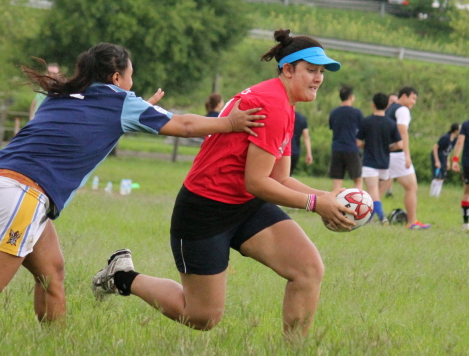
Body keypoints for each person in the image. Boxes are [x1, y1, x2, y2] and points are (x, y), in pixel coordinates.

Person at [0, 43, 266, 326]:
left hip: (4, 184)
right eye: (131, 78)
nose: (133, 85)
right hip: (22, 195)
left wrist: (140, 110)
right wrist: (230, 123)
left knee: (52, 275)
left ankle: (52, 344)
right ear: (118, 77)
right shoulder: (119, 101)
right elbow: (189, 124)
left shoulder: (64, 94)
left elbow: (83, 129)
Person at [92, 29, 356, 339]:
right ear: (287, 69)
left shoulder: (285, 106)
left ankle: (295, 349)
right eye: (311, 70)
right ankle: (123, 276)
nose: (318, 78)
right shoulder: (271, 104)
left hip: (245, 205)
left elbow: (279, 178)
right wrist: (315, 204)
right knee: (202, 316)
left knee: (308, 270)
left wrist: (327, 198)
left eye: (321, 72)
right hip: (205, 210)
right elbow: (258, 182)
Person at [380, 86, 430, 229]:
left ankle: (365, 216)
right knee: (412, 187)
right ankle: (412, 222)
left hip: (386, 153)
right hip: (397, 155)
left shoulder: (391, 108)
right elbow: (403, 132)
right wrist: (407, 155)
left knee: (379, 190)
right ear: (404, 96)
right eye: (413, 98)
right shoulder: (403, 110)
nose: (414, 102)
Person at [356, 93, 402, 224]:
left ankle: (382, 217)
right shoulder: (391, 123)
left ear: (373, 104)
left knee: (373, 193)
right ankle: (369, 218)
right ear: (387, 105)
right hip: (384, 163)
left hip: (370, 162)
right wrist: (389, 148)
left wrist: (366, 146)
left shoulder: (366, 121)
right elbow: (400, 144)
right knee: (375, 194)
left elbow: (358, 142)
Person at [328, 85, 363, 190]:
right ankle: (357, 202)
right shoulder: (357, 113)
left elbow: (332, 127)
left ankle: (335, 203)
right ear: (351, 97)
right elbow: (361, 130)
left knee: (337, 180)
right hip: (352, 148)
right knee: (358, 179)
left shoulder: (334, 112)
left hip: (337, 148)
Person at [429, 123, 459, 197]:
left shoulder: (454, 140)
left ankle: (437, 195)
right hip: (437, 157)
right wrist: (436, 161)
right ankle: (432, 195)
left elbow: (448, 151)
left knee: (442, 177)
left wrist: (448, 161)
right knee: (437, 177)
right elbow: (435, 148)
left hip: (444, 158)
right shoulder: (446, 137)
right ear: (455, 130)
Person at [451, 120, 469, 231]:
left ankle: (466, 223)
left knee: (467, 192)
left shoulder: (466, 124)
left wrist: (455, 160)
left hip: (467, 163)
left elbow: (460, 143)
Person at [384, 94, 399, 198]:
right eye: (391, 101)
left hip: (393, 145)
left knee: (391, 169)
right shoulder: (383, 114)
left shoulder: (397, 115)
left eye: (395, 102)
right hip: (383, 144)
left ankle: (389, 190)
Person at [290, 111, 313, 175]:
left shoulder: (283, 115)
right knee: (287, 177)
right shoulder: (301, 118)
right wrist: (309, 153)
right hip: (295, 152)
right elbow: (306, 137)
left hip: (282, 150)